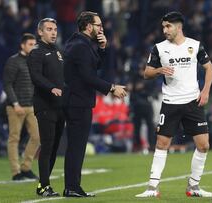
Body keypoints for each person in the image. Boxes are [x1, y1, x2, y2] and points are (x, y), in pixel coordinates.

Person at [135, 11, 212, 198]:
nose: (164, 30)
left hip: (192, 102)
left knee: (204, 145)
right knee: (162, 144)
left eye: (168, 26)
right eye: (163, 26)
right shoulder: (159, 48)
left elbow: (210, 68)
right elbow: (146, 73)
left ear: (179, 27)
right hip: (170, 102)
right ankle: (152, 188)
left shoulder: (194, 46)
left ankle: (193, 187)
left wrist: (205, 91)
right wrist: (159, 70)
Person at [63, 11, 127, 197]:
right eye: (98, 25)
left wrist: (102, 48)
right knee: (77, 146)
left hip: (76, 101)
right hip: (78, 102)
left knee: (76, 146)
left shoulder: (79, 43)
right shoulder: (80, 46)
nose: (101, 28)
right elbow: (88, 77)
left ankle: (72, 186)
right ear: (89, 26)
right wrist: (112, 87)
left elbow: (94, 66)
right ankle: (72, 187)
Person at [27, 18, 65, 197]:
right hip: (45, 105)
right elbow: (35, 76)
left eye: (55, 29)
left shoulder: (57, 51)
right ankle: (43, 186)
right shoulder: (36, 52)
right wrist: (51, 88)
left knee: (54, 147)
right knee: (47, 145)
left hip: (60, 106)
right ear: (40, 32)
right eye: (49, 29)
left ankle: (44, 183)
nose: (53, 32)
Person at [3, 33, 40, 181]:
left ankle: (26, 167)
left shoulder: (33, 62)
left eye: (34, 44)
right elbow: (7, 84)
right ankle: (15, 172)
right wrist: (15, 104)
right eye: (30, 44)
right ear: (22, 45)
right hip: (15, 107)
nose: (33, 47)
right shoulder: (13, 61)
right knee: (14, 138)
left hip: (30, 106)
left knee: (37, 137)